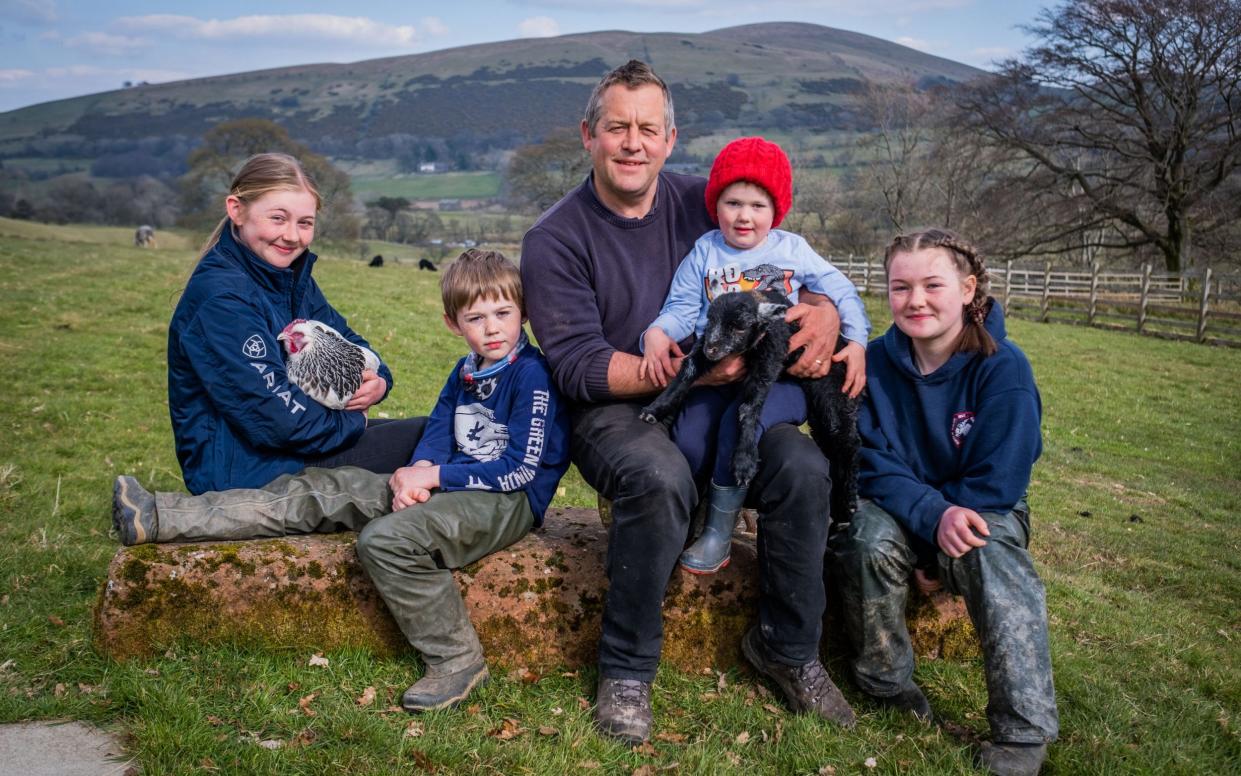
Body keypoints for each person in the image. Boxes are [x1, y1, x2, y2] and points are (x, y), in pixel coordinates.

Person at [520, 59, 855, 744]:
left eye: (648, 128)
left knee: (799, 469)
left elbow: (786, 258)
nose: (632, 143)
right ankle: (626, 669)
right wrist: (689, 376)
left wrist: (824, 313)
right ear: (588, 134)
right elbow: (580, 368)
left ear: (671, 140)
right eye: (617, 127)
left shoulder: (708, 202)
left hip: (737, 395)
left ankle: (788, 652)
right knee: (657, 476)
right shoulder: (553, 239)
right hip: (619, 407)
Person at [113, 248, 571, 713]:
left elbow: (520, 468)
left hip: (504, 500)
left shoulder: (531, 375)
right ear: (454, 324)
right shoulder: (465, 370)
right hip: (451, 483)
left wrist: (436, 474)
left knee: (385, 540)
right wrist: (416, 474)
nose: (492, 328)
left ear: (524, 313)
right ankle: (160, 515)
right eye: (476, 317)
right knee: (323, 490)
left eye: (503, 313)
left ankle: (457, 660)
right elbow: (437, 429)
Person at [831, 228, 1057, 776]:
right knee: (862, 540)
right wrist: (930, 520)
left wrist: (941, 539)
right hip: (899, 505)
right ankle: (886, 683)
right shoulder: (875, 364)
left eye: (933, 284)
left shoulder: (1004, 367)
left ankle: (1023, 730)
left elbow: (1000, 478)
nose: (916, 301)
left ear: (966, 288)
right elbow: (868, 461)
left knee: (988, 550)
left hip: (981, 507)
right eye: (900, 287)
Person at [640, 136, 869, 575]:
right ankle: (691, 512)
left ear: (776, 211)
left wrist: (856, 341)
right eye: (733, 202)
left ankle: (719, 532)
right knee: (687, 437)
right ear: (716, 205)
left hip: (777, 377)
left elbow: (842, 292)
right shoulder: (706, 251)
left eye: (758, 205)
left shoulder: (792, 249)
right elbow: (682, 308)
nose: (744, 216)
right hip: (719, 367)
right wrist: (657, 332)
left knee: (742, 421)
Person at [164, 152, 422, 497]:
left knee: (434, 432)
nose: (292, 236)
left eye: (305, 223)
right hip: (248, 472)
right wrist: (355, 420)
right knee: (432, 439)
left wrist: (379, 383)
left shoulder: (287, 278)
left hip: (291, 448)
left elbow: (350, 341)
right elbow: (277, 421)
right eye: (278, 218)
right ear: (236, 210)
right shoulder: (222, 298)